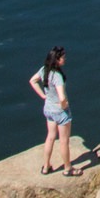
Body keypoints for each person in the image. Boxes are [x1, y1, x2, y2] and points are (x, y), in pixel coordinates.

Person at [28, 46, 78, 176]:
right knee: (64, 141)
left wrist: (43, 96)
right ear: (57, 59)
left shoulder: (44, 70)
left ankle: (46, 167)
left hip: (48, 109)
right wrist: (64, 105)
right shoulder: (57, 76)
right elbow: (61, 97)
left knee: (50, 137)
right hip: (60, 112)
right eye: (63, 58)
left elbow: (32, 81)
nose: (65, 59)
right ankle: (68, 169)